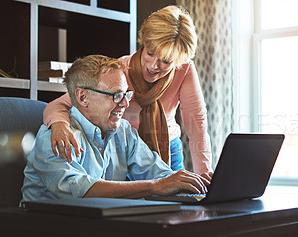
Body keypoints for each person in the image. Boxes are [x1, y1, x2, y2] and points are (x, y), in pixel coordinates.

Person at [43, 5, 212, 175]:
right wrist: (59, 124)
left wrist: (205, 175)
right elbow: (59, 104)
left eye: (166, 61)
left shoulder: (184, 70)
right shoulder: (119, 70)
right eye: (150, 53)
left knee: (180, 197)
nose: (153, 66)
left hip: (169, 148)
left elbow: (197, 124)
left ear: (179, 60)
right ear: (144, 43)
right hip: (128, 150)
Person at [22, 55, 211, 201]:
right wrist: (155, 186)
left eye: (126, 95)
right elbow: (80, 192)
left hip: (101, 229)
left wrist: (196, 183)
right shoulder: (54, 138)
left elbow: (158, 173)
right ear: (82, 98)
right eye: (116, 95)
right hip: (48, 231)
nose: (125, 104)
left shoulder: (124, 131)